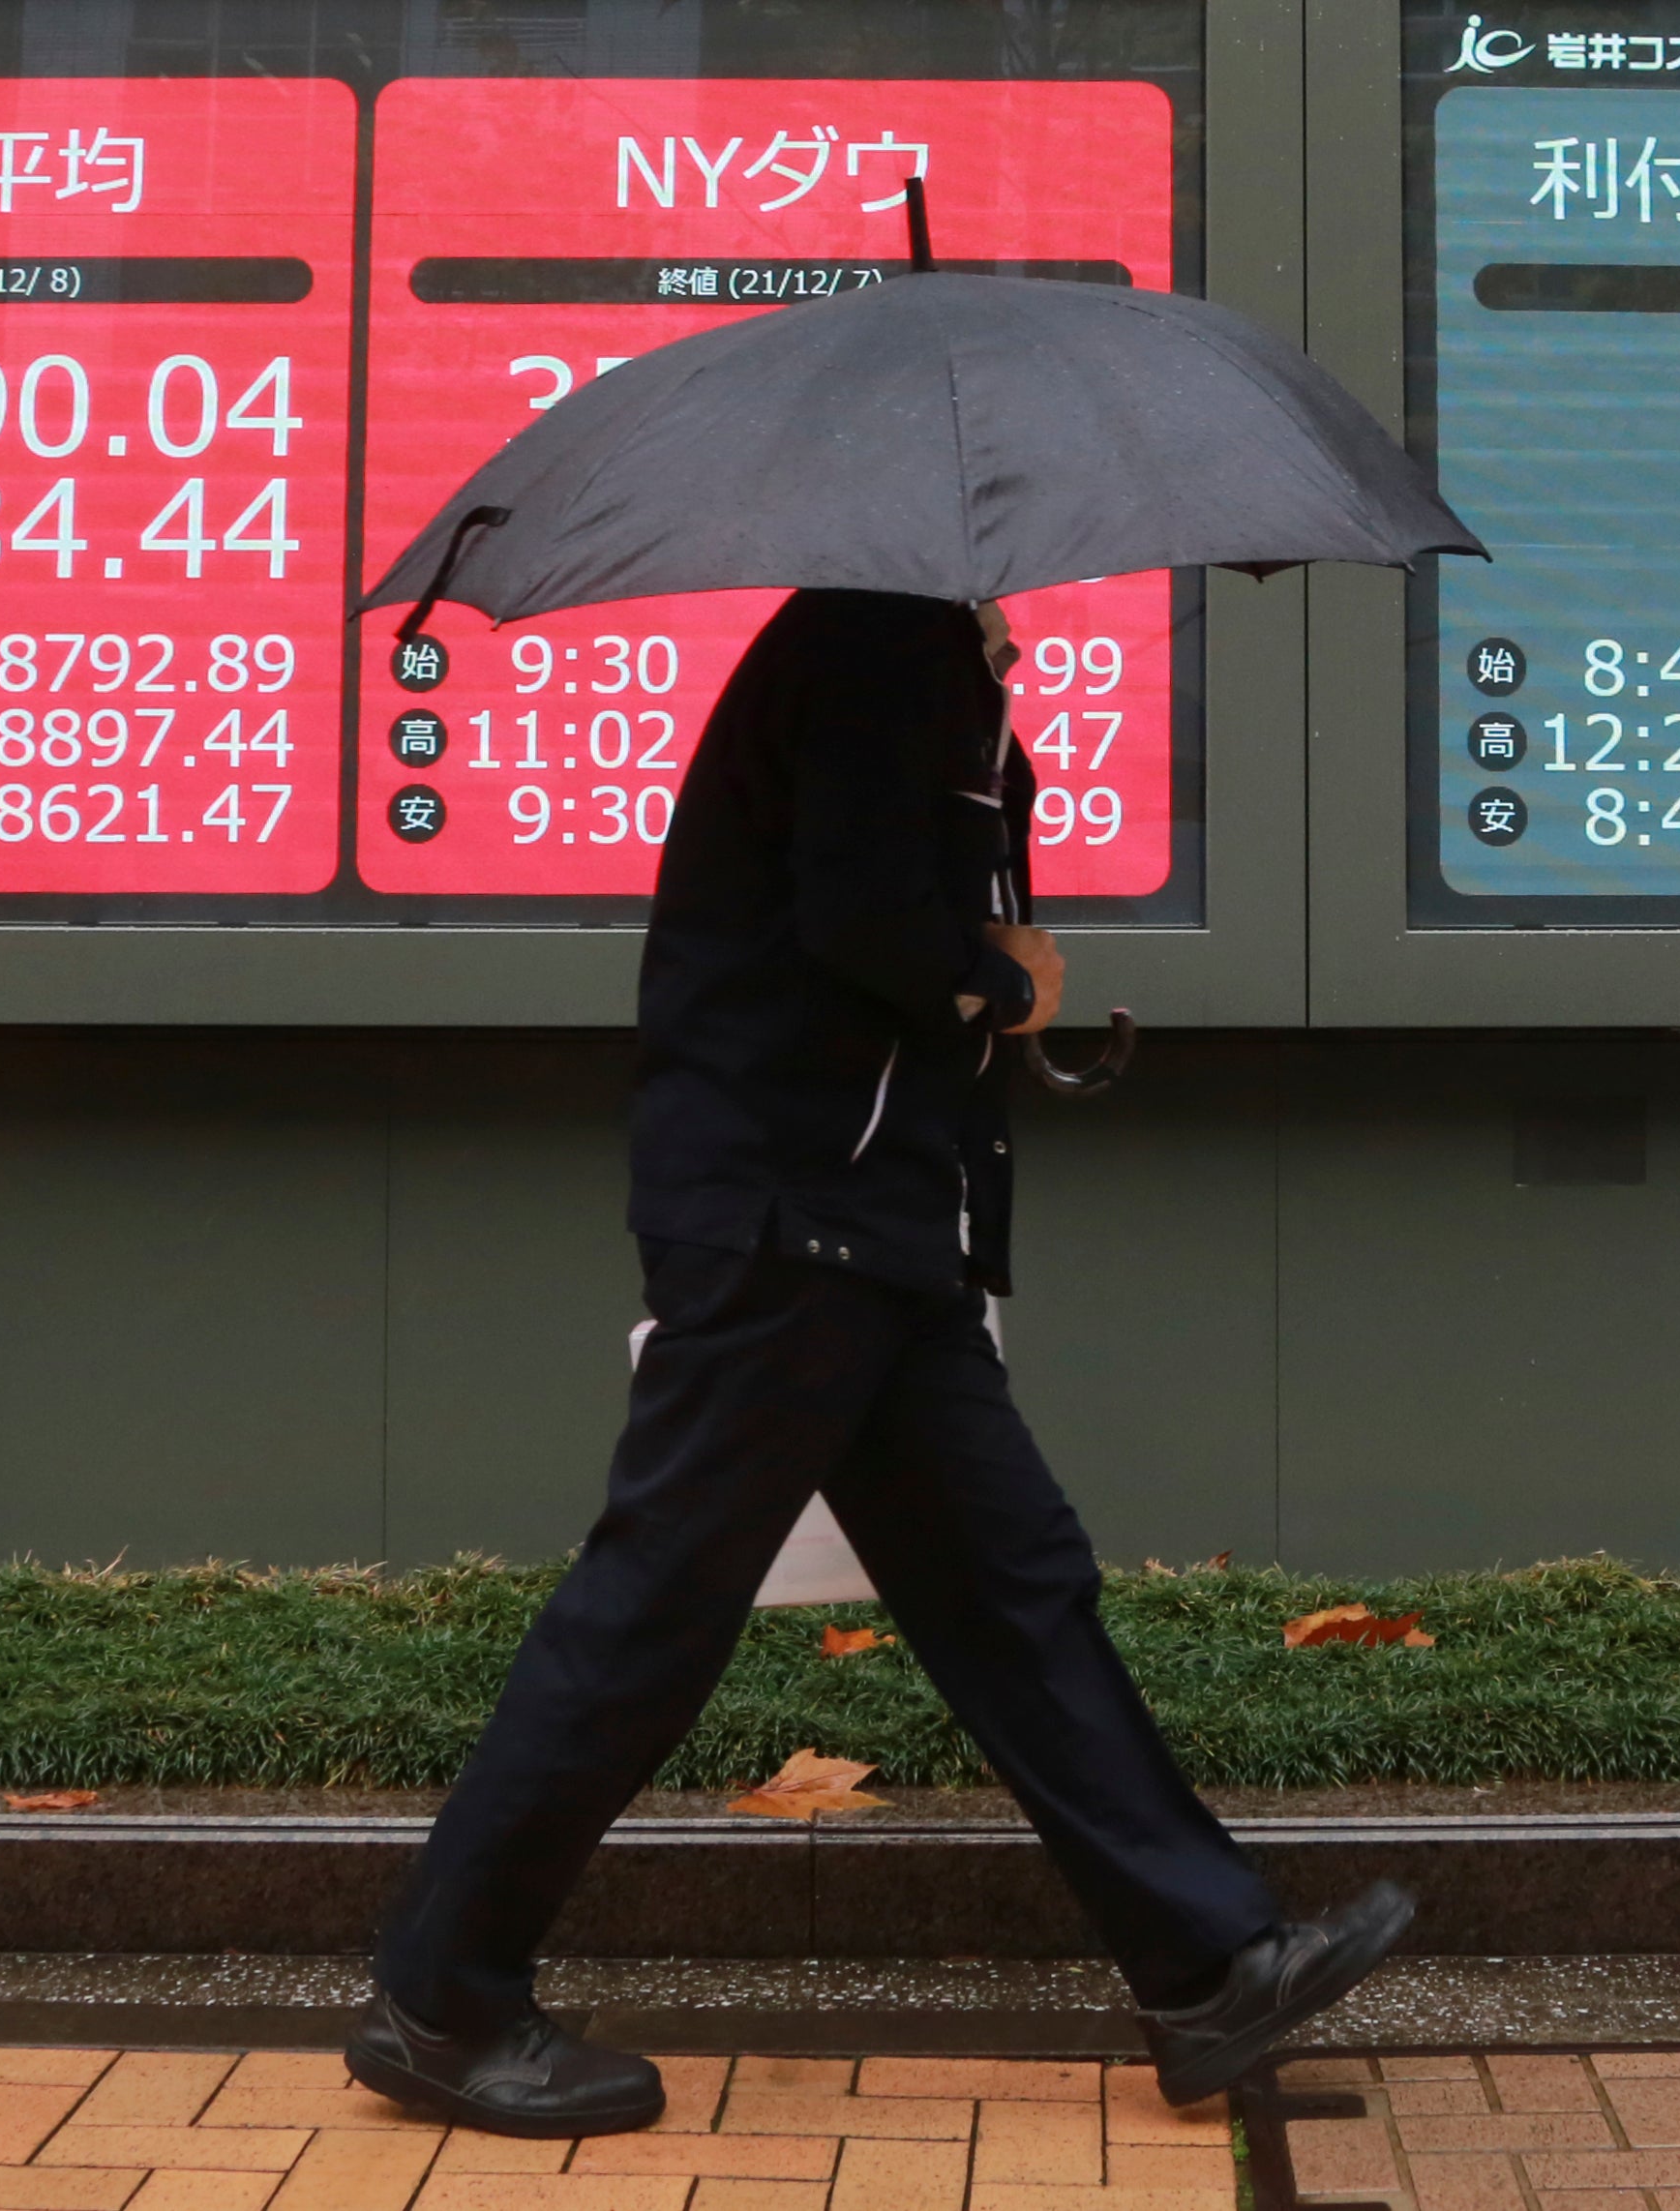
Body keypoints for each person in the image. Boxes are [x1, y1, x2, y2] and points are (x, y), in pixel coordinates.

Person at [346, 588, 1413, 2138]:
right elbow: (858, 915)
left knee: (1013, 1585)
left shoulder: (917, 652)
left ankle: (1207, 1965)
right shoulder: (871, 644)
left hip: (873, 1230)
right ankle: (441, 1998)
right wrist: (1003, 979)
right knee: (655, 1601)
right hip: (796, 1227)